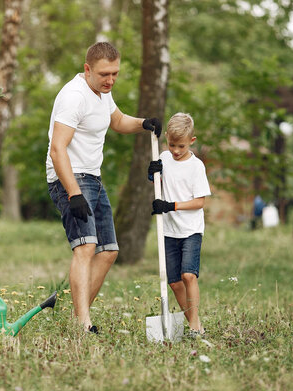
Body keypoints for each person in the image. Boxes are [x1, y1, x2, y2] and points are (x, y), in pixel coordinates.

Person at [46, 42, 162, 333]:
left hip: (93, 178)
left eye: (115, 73)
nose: (110, 80)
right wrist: (73, 193)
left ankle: (77, 317)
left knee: (108, 251)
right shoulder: (74, 97)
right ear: (87, 69)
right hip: (71, 178)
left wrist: (144, 123)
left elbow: (118, 121)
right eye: (104, 74)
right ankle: (83, 323)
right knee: (86, 247)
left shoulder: (102, 94)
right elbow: (57, 149)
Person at [147, 112, 211, 337]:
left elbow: (199, 202)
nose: (175, 150)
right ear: (165, 139)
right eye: (172, 144)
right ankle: (197, 325)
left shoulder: (196, 167)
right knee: (174, 283)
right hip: (169, 230)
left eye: (181, 146)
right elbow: (159, 183)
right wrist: (153, 174)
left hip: (191, 229)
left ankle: (194, 326)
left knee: (188, 276)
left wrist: (171, 205)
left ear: (192, 141)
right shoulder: (163, 158)